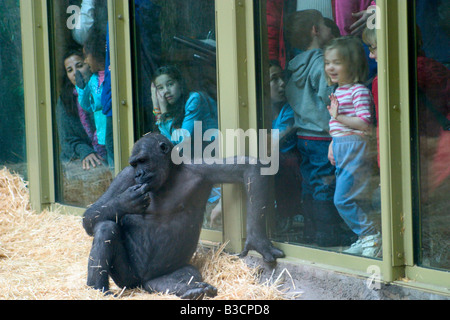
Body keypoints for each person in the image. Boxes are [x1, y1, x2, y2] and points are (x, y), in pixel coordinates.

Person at [284, 10, 355, 247]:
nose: (329, 30)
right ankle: (328, 234)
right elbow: (330, 98)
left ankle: (310, 231)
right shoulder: (319, 64)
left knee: (310, 183)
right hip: (322, 137)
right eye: (325, 27)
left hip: (303, 135)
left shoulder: (294, 65)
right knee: (325, 183)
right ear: (315, 30)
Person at [324, 36, 381, 257]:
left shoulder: (359, 90)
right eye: (328, 62)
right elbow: (336, 124)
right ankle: (366, 238)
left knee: (343, 198)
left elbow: (366, 123)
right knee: (354, 196)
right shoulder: (339, 91)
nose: (331, 67)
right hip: (342, 145)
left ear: (353, 64)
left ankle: (370, 235)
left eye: (337, 62)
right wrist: (332, 143)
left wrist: (339, 117)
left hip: (355, 147)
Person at [55, 48, 106, 170]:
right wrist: (85, 152)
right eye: (70, 70)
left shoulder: (102, 88)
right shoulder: (65, 100)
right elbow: (67, 139)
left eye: (79, 65)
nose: (75, 72)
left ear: (89, 65)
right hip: (81, 160)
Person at [269, 60, 303, 236]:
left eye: (282, 78)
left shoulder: (289, 110)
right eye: (274, 79)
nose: (282, 84)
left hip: (289, 172)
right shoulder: (259, 112)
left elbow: (272, 144)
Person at [151, 65, 218, 147]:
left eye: (170, 84)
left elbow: (180, 142)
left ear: (180, 84)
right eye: (160, 88)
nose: (166, 91)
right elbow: (167, 141)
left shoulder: (194, 99)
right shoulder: (174, 105)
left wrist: (163, 111)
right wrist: (156, 107)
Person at [75, 30, 110, 167]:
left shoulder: (111, 74)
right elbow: (88, 106)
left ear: (95, 54)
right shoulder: (93, 80)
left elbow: (103, 102)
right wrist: (81, 88)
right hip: (101, 136)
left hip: (114, 129)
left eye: (86, 56)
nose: (85, 61)